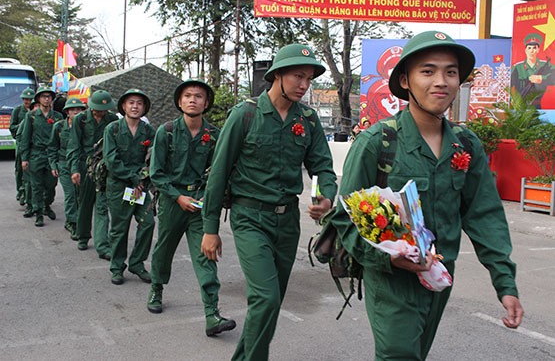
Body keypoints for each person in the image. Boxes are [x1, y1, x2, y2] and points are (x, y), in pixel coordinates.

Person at [332, 31, 524, 360]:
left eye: (451, 72)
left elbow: (484, 214)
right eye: (428, 71)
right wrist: (387, 257)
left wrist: (505, 284)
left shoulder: (466, 145)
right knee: (399, 354)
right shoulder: (378, 142)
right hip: (391, 281)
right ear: (405, 80)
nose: (441, 81)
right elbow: (343, 218)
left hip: (439, 279)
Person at [201, 44, 337, 360]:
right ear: (277, 74)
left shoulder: (309, 120)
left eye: (309, 79)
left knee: (271, 303)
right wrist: (210, 228)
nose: (304, 85)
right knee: (265, 298)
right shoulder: (245, 114)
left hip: (287, 222)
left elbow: (322, 168)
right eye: (297, 76)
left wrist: (324, 196)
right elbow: (218, 174)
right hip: (250, 217)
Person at [146, 79, 236, 337]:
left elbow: (218, 172)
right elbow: (157, 174)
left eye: (198, 96)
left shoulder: (215, 135)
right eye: (187, 96)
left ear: (206, 103)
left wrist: (205, 197)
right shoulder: (167, 131)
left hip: (200, 204)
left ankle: (212, 313)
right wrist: (177, 197)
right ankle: (157, 288)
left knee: (205, 255)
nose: (192, 100)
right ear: (179, 101)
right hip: (172, 202)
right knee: (164, 249)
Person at [103, 89, 156, 285]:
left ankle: (137, 263)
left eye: (139, 103)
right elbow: (111, 160)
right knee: (120, 228)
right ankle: (117, 267)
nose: (135, 106)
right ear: (124, 106)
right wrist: (134, 179)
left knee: (148, 222)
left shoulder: (149, 131)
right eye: (131, 102)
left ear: (144, 108)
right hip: (119, 187)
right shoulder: (113, 129)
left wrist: (142, 180)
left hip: (139, 188)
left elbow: (154, 158)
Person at [67, 90, 118, 258]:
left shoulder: (113, 120)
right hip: (85, 166)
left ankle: (103, 245)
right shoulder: (80, 120)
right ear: (90, 106)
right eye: (98, 109)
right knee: (85, 203)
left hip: (104, 167)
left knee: (102, 206)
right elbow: (74, 146)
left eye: (104, 109)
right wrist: (74, 169)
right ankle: (82, 236)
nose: (101, 112)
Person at [19, 87, 63, 227]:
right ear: (38, 99)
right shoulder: (31, 116)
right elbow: (25, 137)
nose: (46, 99)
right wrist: (24, 158)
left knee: (51, 185)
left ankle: (46, 205)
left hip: (52, 155)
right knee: (36, 186)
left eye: (49, 96)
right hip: (36, 155)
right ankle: (38, 213)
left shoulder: (57, 117)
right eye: (43, 96)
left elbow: (61, 139)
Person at [48, 98, 86, 239]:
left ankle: (77, 220)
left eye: (79, 109)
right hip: (64, 164)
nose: (76, 112)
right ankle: (72, 223)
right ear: (67, 112)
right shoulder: (59, 127)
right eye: (73, 110)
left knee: (80, 195)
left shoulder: (85, 127)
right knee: (70, 194)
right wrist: (53, 164)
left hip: (80, 165)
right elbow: (52, 147)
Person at [511, 33, 555, 108]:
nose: (532, 51)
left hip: (537, 105)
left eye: (534, 48)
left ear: (538, 50)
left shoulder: (545, 65)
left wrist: (541, 78)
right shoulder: (517, 67)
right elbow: (508, 84)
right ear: (525, 50)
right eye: (529, 48)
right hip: (520, 105)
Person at [10, 87, 35, 204]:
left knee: (30, 170)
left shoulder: (35, 111)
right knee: (20, 169)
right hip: (21, 142)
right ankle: (20, 191)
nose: (28, 102)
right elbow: (12, 127)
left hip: (33, 144)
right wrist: (21, 126)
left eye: (30, 99)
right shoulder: (18, 111)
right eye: (26, 99)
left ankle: (29, 193)